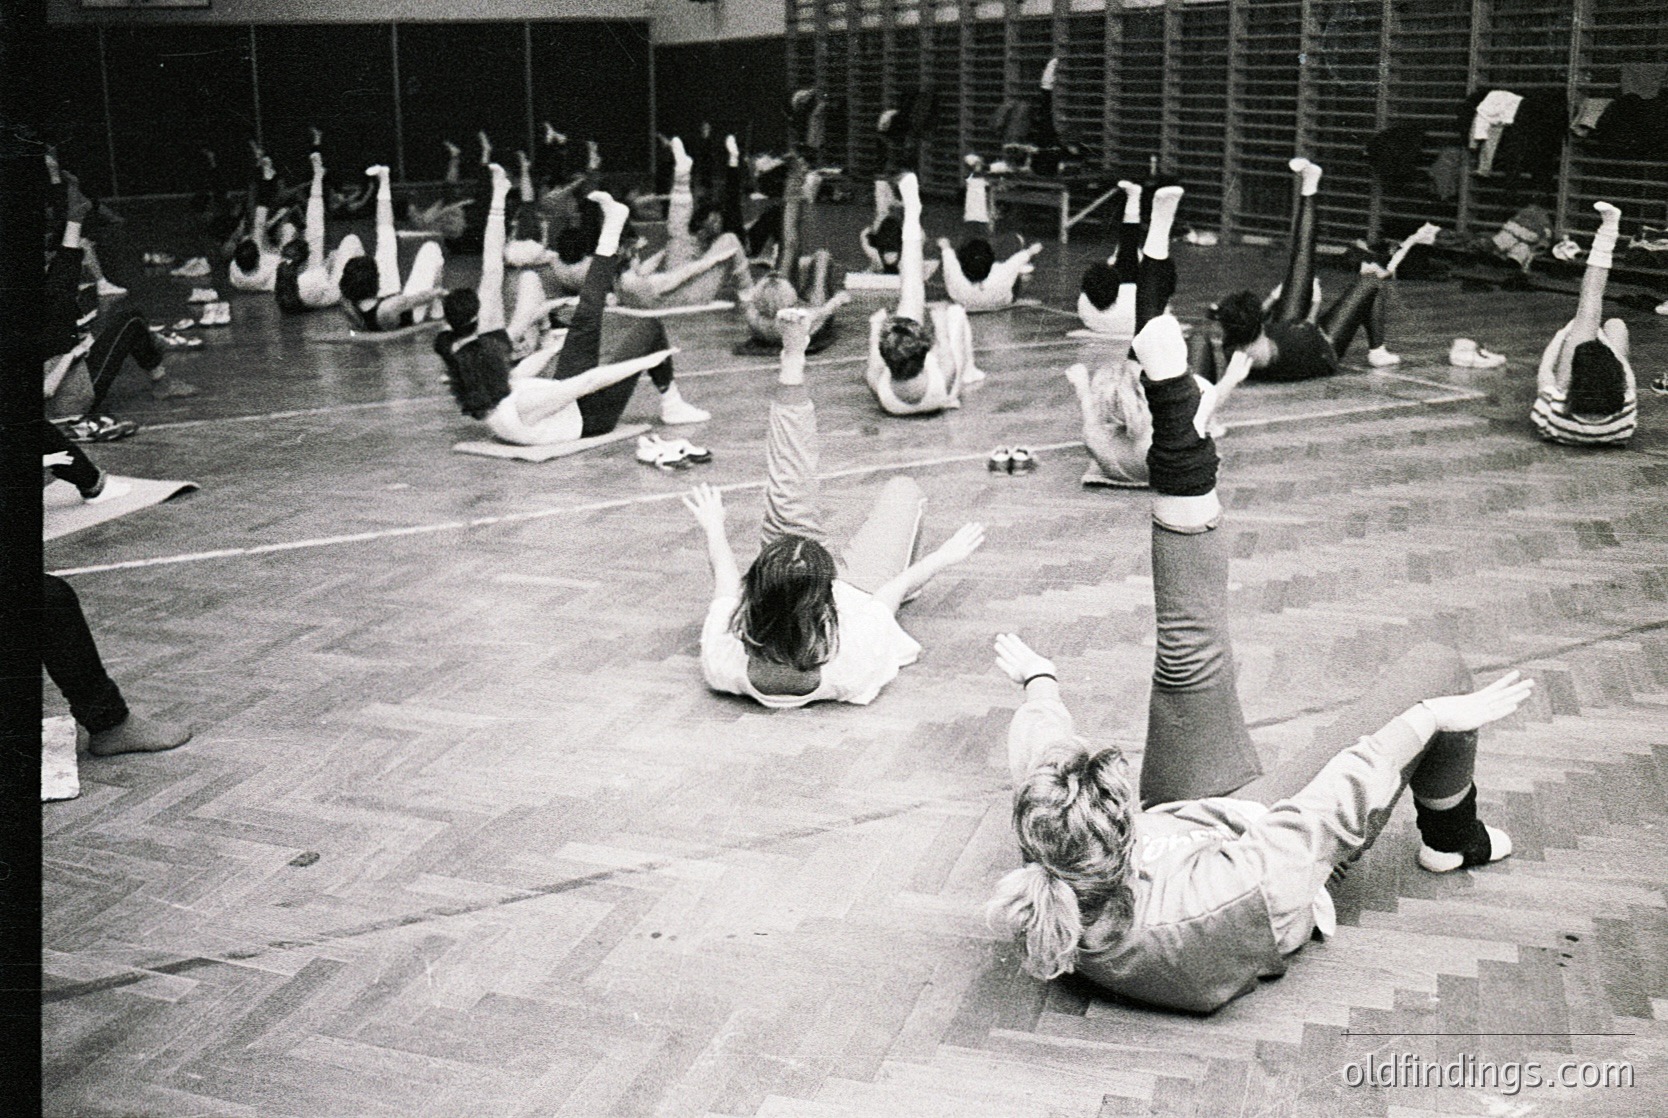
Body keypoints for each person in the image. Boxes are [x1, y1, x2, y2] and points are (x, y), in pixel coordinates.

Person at [983, 311, 1534, 1013]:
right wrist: (1426, 718)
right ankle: (1453, 838)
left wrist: (1040, 684)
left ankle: (1175, 409)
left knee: (1186, 657)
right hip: (1249, 844)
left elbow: (1044, 754)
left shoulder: (1056, 853)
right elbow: (1329, 813)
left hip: (1193, 820)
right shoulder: (1223, 896)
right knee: (1440, 669)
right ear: (1125, 838)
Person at [685, 307, 986, 707]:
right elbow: (890, 593)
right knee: (904, 489)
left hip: (804, 589)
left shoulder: (724, 661)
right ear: (826, 606)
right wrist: (944, 557)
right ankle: (793, 360)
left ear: (754, 601)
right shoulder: (852, 664)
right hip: (862, 591)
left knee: (788, 485)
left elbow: (724, 586)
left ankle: (792, 360)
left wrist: (714, 527)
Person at [436, 174, 706, 446]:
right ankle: (673, 406)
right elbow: (588, 382)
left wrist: (553, 349)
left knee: (585, 317)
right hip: (592, 417)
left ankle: (613, 224)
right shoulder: (520, 403)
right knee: (649, 328)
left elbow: (521, 373)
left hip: (564, 403)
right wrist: (648, 361)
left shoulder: (489, 392)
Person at [1203, 158, 1437, 382]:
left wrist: (1275, 298)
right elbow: (1309, 329)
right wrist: (1315, 300)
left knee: (1301, 263)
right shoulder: (1287, 342)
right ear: (1259, 326)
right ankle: (1377, 350)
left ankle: (1309, 188)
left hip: (1287, 337)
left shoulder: (1233, 345)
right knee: (1370, 282)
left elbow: (1260, 318)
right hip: (1322, 345)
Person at [44, 173, 196, 440]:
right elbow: (45, 390)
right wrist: (74, 354)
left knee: (123, 321)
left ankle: (158, 374)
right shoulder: (54, 296)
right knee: (131, 320)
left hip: (62, 384)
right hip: (68, 400)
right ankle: (162, 383)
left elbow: (66, 253)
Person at [864, 173, 985, 416]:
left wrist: (877, 326)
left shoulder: (882, 388)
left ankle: (911, 213)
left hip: (903, 388)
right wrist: (941, 321)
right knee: (955, 313)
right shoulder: (943, 375)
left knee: (911, 291)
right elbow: (947, 352)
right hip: (944, 392)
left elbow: (874, 363)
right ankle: (972, 370)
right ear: (926, 350)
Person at [736, 107, 850, 355]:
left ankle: (794, 185)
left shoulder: (758, 320)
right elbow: (829, 307)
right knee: (820, 259)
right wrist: (837, 300)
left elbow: (747, 296)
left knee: (792, 249)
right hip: (811, 316)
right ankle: (795, 185)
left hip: (776, 310)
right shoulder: (803, 321)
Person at [1530, 201, 1638, 446]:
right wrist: (1591, 335)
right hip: (1597, 401)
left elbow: (1546, 368)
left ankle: (1608, 229)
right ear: (1614, 378)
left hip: (1581, 414)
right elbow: (1545, 372)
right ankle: (1609, 230)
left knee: (1602, 317)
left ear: (1573, 380)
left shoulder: (1625, 407)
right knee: (1609, 320)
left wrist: (1565, 333)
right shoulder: (1556, 402)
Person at [616, 136, 751, 309]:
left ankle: (682, 174)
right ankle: (748, 294)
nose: (637, 258)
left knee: (678, 235)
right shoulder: (637, 283)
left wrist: (667, 250)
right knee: (730, 239)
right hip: (692, 295)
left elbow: (646, 270)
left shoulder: (624, 283)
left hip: (674, 291)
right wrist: (707, 261)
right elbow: (680, 276)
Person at [337, 164, 447, 333]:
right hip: (407, 312)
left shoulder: (346, 303)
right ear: (376, 279)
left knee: (385, 237)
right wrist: (440, 292)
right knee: (431, 248)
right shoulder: (390, 306)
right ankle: (436, 309)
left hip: (381, 306)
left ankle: (384, 181)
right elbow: (419, 298)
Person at [939, 156, 1043, 312]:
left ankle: (978, 178)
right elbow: (1023, 255)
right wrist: (1031, 251)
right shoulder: (999, 272)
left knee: (973, 229)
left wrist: (945, 246)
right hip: (1001, 300)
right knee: (1014, 244)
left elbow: (947, 254)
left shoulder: (959, 276)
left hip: (963, 299)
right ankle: (978, 177)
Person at [275, 151, 359, 314]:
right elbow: (315, 224)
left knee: (330, 251)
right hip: (327, 297)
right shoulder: (311, 274)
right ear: (304, 262)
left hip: (307, 296)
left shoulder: (282, 274)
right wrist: (318, 178)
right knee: (351, 241)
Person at [228, 154, 288, 294]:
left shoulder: (235, 274)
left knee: (257, 218)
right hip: (273, 253)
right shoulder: (270, 264)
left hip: (262, 255)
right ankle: (266, 177)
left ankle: (264, 176)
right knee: (263, 219)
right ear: (259, 258)